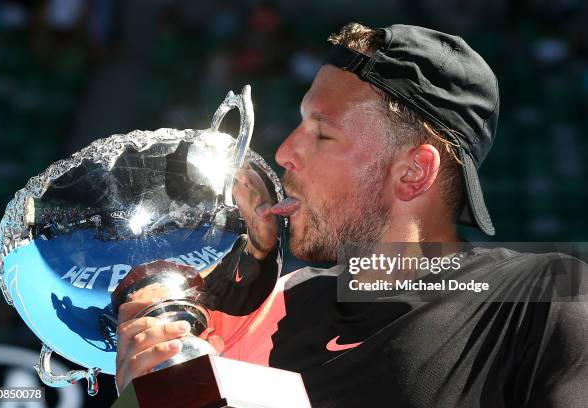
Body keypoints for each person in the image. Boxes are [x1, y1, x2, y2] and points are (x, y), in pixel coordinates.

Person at [115, 23, 588, 407]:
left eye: (322, 134)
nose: (284, 153)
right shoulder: (258, 308)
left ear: (413, 171)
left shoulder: (546, 295)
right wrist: (153, 389)